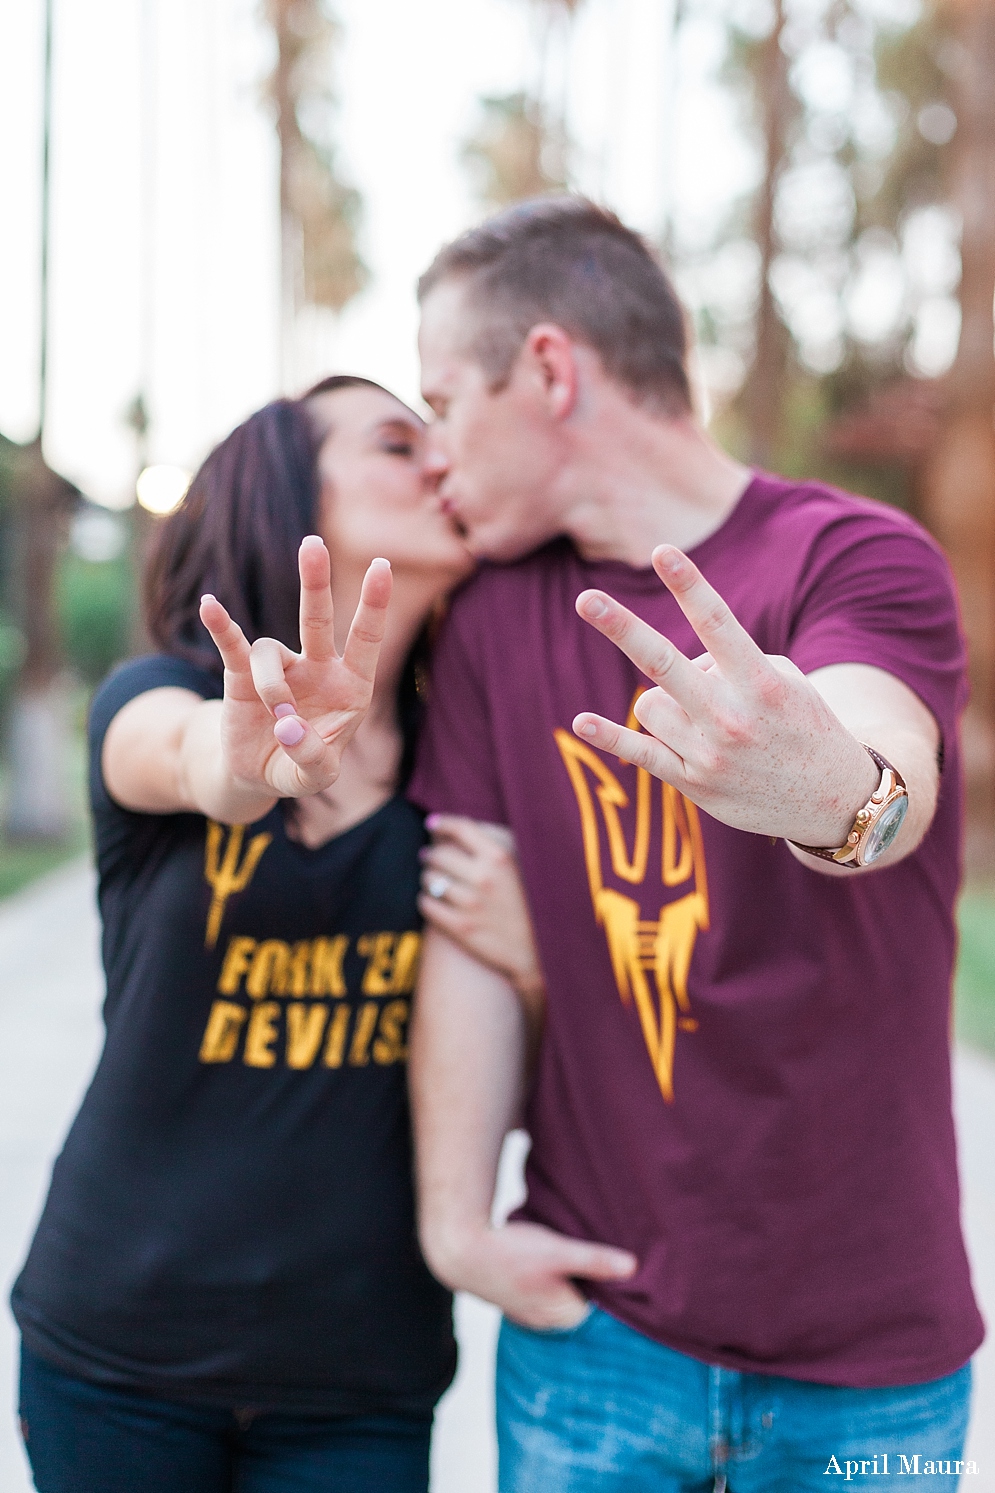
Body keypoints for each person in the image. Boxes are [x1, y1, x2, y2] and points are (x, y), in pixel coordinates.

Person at [406, 198, 984, 1491]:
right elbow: (467, 927)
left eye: (444, 401)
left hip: (868, 1359)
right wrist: (456, 1229)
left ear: (548, 370)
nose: (433, 452)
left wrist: (830, 789)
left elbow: (884, 777)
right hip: (597, 1334)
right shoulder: (495, 615)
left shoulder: (847, 553)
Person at [11, 376, 543, 1493]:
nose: (442, 461)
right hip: (119, 1357)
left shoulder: (476, 756)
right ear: (288, 494)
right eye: (399, 442)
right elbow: (186, 756)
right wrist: (250, 762)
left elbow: (542, 1051)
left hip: (360, 1378)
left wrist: (538, 961)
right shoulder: (159, 698)